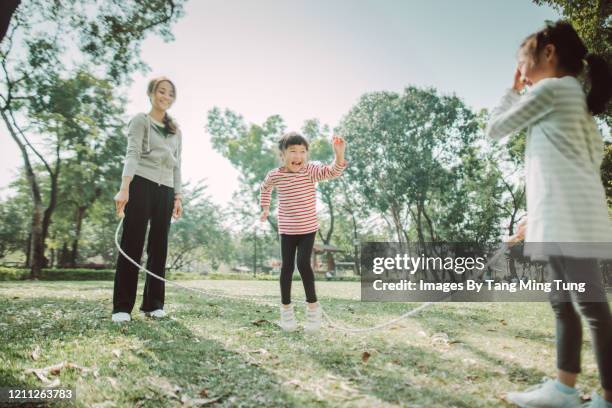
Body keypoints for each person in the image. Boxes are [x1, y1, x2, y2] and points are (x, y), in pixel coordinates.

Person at [486, 20, 612, 408]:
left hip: (567, 218)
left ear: (548, 52)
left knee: (589, 306)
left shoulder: (555, 90)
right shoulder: (575, 102)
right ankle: (564, 389)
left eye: (522, 60)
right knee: (565, 301)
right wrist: (538, 216)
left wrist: (512, 91)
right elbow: (575, 167)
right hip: (569, 215)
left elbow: (495, 129)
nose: (520, 69)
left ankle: (604, 397)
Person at [260, 132, 347, 333]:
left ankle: (313, 310)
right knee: (287, 268)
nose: (298, 156)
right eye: (292, 152)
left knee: (303, 264)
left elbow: (332, 172)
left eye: (302, 152)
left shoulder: (310, 171)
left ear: (306, 154)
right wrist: (265, 208)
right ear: (282, 155)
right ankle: (286, 312)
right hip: (287, 229)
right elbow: (265, 188)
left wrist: (339, 155)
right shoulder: (275, 175)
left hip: (308, 228)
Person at [112, 76, 183, 323]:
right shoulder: (140, 121)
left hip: (165, 190)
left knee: (159, 247)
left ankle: (153, 304)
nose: (165, 96)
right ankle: (122, 308)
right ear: (151, 93)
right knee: (132, 242)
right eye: (161, 91)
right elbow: (132, 154)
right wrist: (124, 188)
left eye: (170, 93)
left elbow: (177, 165)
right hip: (141, 183)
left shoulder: (176, 130)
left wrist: (178, 196)